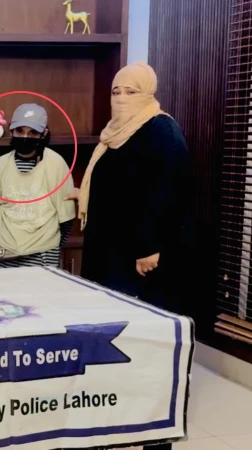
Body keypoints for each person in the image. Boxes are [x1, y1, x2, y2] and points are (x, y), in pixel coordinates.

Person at [74, 61, 192, 323]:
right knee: (105, 319)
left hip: (138, 253)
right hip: (108, 246)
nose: (121, 98)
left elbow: (167, 192)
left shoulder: (161, 129)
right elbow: (118, 184)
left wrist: (150, 247)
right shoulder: (113, 133)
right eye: (116, 92)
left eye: (131, 92)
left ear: (148, 93)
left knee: (134, 324)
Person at [0, 103, 76, 268]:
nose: (25, 137)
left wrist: (52, 250)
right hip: (3, 254)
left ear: (43, 134)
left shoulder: (56, 164)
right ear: (11, 131)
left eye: (33, 132)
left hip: (43, 255)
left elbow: (66, 219)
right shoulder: (0, 165)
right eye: (20, 131)